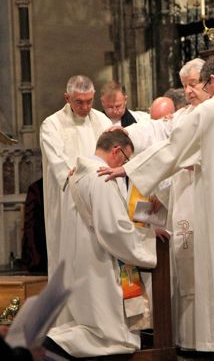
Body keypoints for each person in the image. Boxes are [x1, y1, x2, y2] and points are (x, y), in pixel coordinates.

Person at [99, 55, 214, 359]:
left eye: (201, 84)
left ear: (213, 81)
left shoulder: (213, 111)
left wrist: (129, 169)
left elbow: (174, 150)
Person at [45, 131, 167, 358]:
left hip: (83, 261)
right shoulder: (102, 176)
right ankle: (48, 342)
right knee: (110, 336)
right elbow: (114, 229)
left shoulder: (77, 174)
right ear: (116, 151)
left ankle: (50, 343)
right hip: (100, 264)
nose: (125, 167)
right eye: (126, 159)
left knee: (94, 326)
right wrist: (148, 238)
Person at [40, 75, 111, 277]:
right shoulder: (51, 124)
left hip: (99, 197)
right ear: (67, 98)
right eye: (79, 102)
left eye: (89, 101)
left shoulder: (102, 120)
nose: (85, 107)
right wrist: (81, 178)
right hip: (68, 199)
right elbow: (59, 164)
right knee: (68, 254)